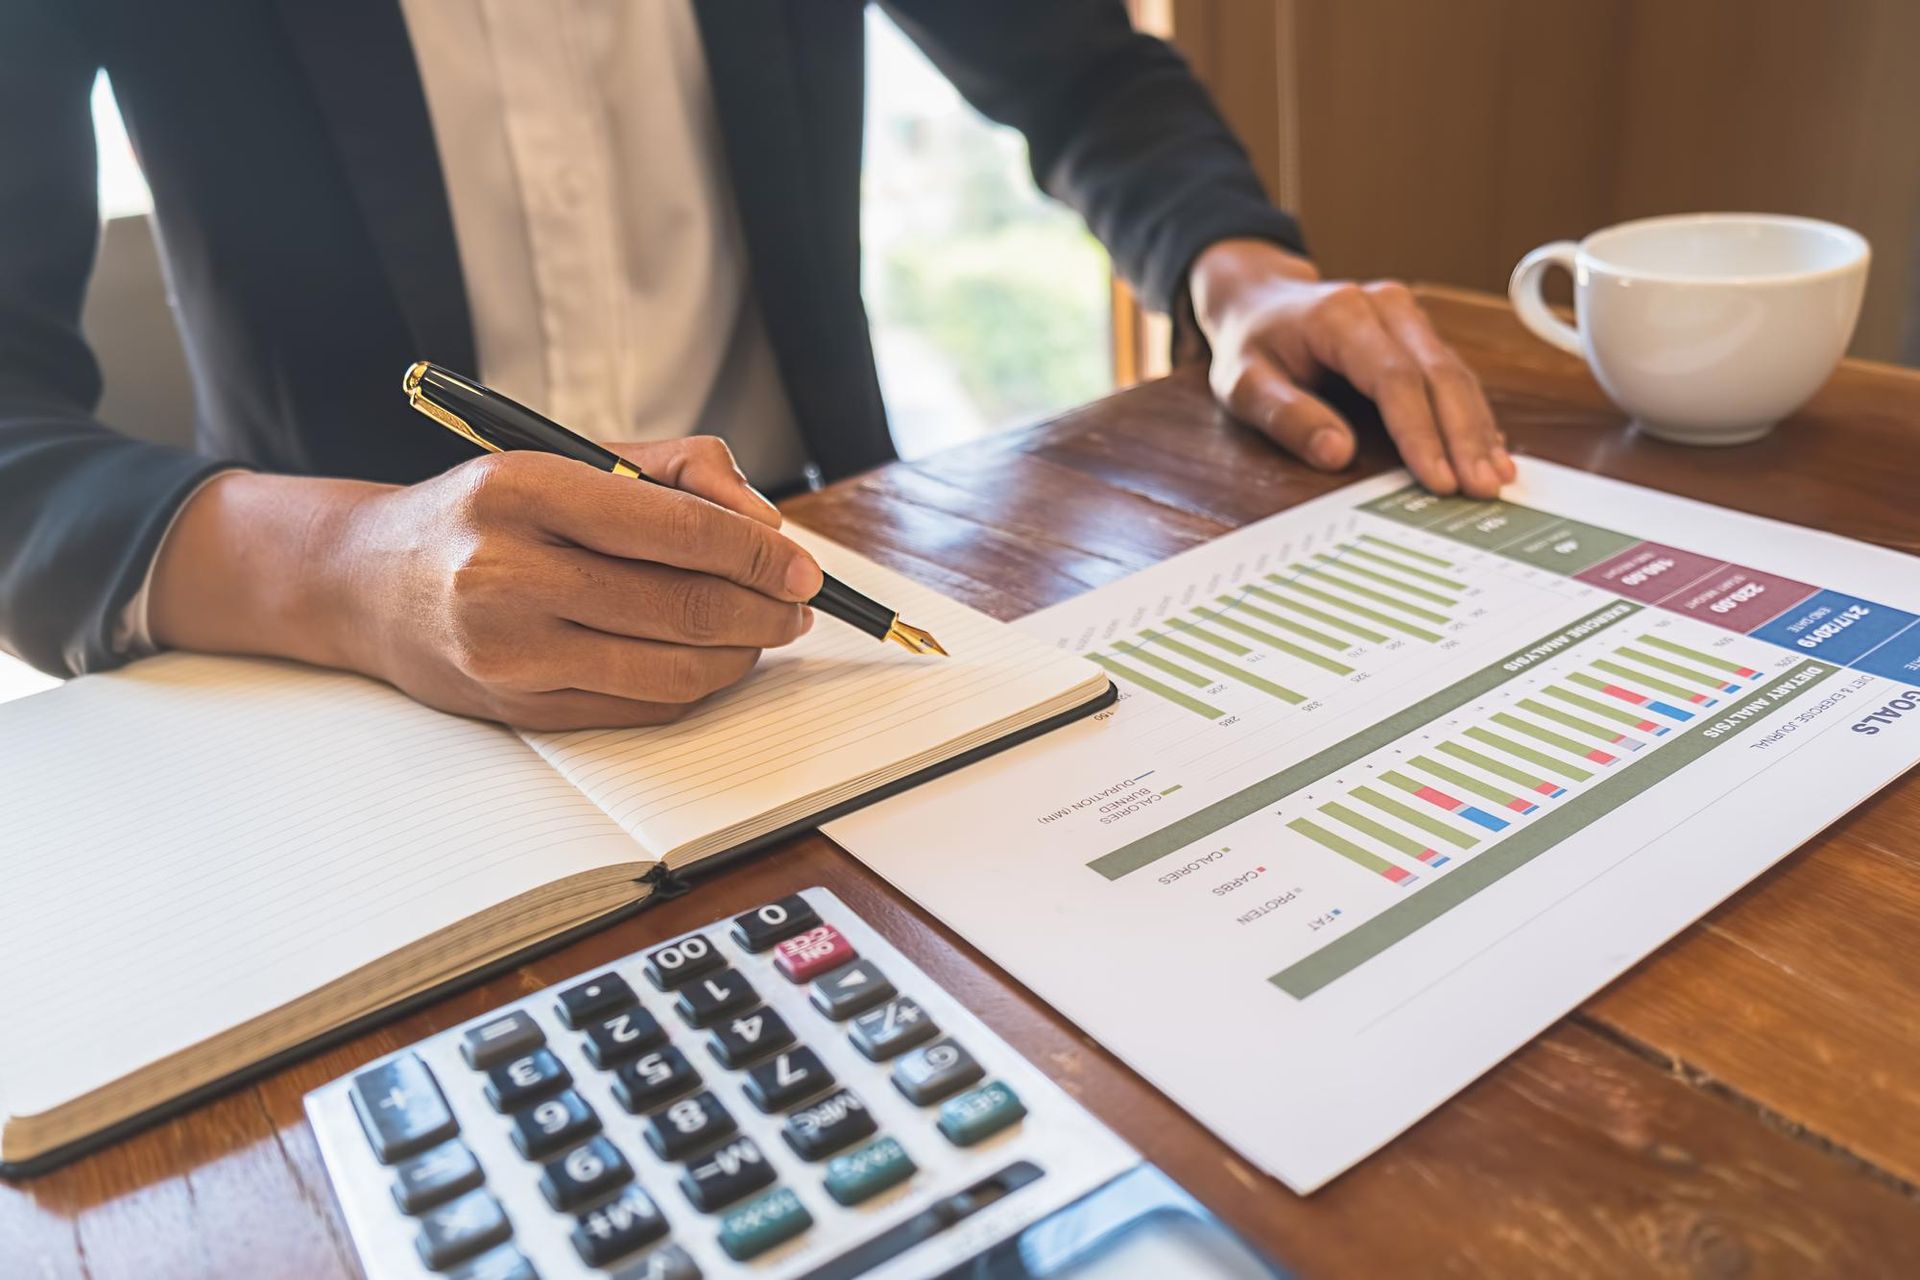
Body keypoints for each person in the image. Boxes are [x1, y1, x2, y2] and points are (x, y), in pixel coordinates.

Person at [0, 1, 1514, 728]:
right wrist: (348, 564)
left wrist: (1238, 271)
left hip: (811, 589)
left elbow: (1088, 73)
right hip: (355, 665)